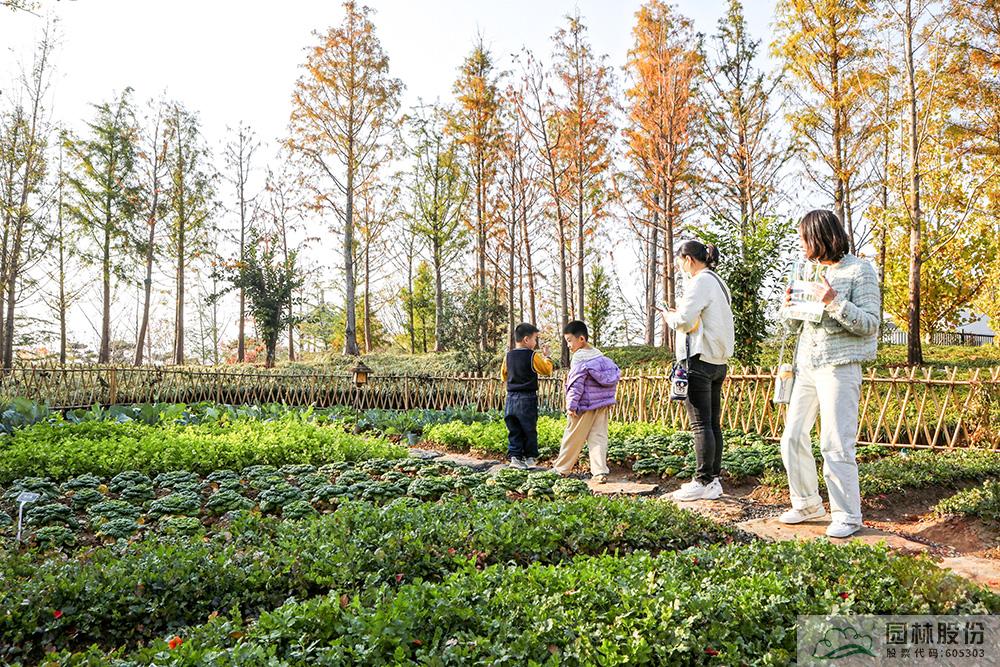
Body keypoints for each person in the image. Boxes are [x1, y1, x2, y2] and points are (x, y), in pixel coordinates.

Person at [778, 209, 880, 538]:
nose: (801, 243)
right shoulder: (809, 271)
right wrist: (789, 305)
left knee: (835, 443)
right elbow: (792, 325)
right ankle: (807, 502)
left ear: (821, 237)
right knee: (792, 436)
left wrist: (834, 300)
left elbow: (869, 324)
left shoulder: (859, 270)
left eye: (804, 237)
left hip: (840, 366)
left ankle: (847, 515)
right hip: (807, 364)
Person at [659, 240, 736, 502]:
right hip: (717, 361)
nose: (678, 267)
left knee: (700, 424)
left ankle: (703, 480)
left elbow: (683, 320)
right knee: (712, 423)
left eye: (679, 261)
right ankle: (713, 481)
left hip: (698, 360)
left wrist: (668, 316)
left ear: (689, 260)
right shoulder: (717, 281)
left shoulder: (700, 281)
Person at [551, 320, 621, 484]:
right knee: (598, 437)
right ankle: (600, 472)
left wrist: (571, 405)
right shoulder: (600, 357)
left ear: (581, 339)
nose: (568, 345)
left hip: (584, 406)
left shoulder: (580, 358)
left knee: (573, 436)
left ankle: (562, 469)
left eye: (569, 340)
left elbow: (576, 384)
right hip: (602, 404)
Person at [501, 323, 554, 469]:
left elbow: (503, 375)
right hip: (527, 397)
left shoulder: (508, 356)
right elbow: (546, 370)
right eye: (535, 339)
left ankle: (515, 458)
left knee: (514, 428)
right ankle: (530, 458)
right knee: (529, 428)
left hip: (511, 397)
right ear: (526, 339)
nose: (535, 343)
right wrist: (547, 358)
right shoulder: (532, 356)